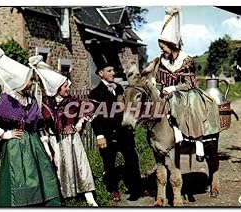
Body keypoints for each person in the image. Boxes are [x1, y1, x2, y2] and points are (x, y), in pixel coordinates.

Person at [0, 45, 61, 206]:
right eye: (30, 80)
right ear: (21, 83)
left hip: (33, 141)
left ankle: (42, 203)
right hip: (16, 144)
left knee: (41, 173)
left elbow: (39, 123)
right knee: (19, 175)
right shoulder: (7, 100)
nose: (32, 82)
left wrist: (46, 146)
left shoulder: (31, 99)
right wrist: (5, 134)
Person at [29, 56, 98, 207]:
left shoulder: (72, 101)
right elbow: (40, 122)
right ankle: (64, 195)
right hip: (54, 141)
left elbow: (91, 108)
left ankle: (88, 196)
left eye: (68, 86)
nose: (68, 88)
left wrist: (80, 122)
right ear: (56, 89)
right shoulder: (46, 104)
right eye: (65, 86)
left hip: (72, 140)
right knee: (60, 167)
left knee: (80, 165)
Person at [155, 7, 221, 161]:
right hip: (168, 94)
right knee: (162, 104)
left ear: (172, 46)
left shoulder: (186, 59)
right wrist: (158, 89)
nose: (162, 50)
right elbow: (158, 80)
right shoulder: (162, 60)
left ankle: (198, 141)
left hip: (187, 91)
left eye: (163, 47)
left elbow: (189, 83)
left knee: (193, 102)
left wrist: (173, 88)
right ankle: (175, 132)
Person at [89, 63, 143, 202]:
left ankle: (136, 188)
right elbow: (93, 116)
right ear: (101, 73)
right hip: (107, 134)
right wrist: (99, 135)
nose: (113, 73)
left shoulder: (119, 88)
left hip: (123, 132)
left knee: (132, 159)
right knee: (109, 163)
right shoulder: (95, 93)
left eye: (113, 70)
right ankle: (113, 190)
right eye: (110, 70)